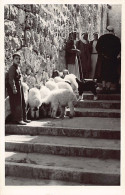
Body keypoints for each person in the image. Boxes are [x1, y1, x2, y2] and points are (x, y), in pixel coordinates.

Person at [94, 26, 121, 93]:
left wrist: (103, 54)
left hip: (103, 59)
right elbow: (118, 49)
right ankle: (108, 87)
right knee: (110, 73)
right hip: (112, 59)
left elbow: (97, 48)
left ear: (107, 30)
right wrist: (112, 55)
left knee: (103, 72)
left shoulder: (102, 38)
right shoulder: (116, 39)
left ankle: (103, 86)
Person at [6, 53, 31, 125]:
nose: (18, 60)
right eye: (16, 58)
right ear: (13, 59)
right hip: (14, 87)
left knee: (22, 102)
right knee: (17, 103)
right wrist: (14, 88)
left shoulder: (18, 67)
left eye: (19, 59)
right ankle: (19, 119)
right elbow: (11, 79)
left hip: (19, 86)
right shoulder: (12, 68)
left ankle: (24, 118)